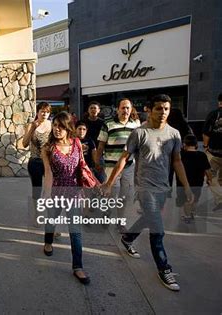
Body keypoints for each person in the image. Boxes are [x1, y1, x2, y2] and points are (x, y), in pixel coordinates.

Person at [103, 94, 194, 291]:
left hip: (163, 187)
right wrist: (110, 183)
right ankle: (164, 268)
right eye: (159, 108)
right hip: (144, 188)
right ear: (149, 110)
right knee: (158, 231)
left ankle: (128, 238)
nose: (163, 112)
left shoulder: (174, 134)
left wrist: (185, 186)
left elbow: (177, 161)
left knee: (148, 219)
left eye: (166, 109)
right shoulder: (139, 133)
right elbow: (123, 158)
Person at [41, 112, 90, 285]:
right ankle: (48, 242)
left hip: (74, 192)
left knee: (75, 231)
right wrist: (46, 194)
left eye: (61, 126)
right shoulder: (47, 148)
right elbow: (48, 173)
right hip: (56, 191)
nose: (57, 129)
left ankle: (78, 266)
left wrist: (83, 192)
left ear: (68, 127)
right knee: (51, 221)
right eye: (55, 125)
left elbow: (82, 167)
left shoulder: (77, 143)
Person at [97, 98, 140, 232]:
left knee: (124, 195)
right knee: (110, 193)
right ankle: (106, 213)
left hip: (129, 167)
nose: (125, 110)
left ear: (131, 109)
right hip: (111, 166)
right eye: (123, 108)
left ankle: (120, 222)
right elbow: (101, 145)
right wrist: (98, 162)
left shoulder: (136, 125)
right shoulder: (108, 124)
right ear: (118, 109)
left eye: (128, 108)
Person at [177, 134, 212, 223]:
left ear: (184, 144)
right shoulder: (202, 155)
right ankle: (191, 212)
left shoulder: (180, 155)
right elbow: (207, 170)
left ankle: (187, 215)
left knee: (186, 200)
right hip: (197, 183)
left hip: (182, 184)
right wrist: (209, 179)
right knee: (195, 199)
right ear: (196, 145)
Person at [23, 102, 51, 203]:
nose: (44, 114)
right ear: (38, 112)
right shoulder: (31, 125)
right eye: (42, 111)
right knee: (37, 191)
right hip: (35, 162)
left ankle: (50, 213)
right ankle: (35, 213)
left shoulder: (51, 125)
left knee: (50, 189)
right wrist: (33, 128)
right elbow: (24, 144)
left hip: (49, 162)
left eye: (47, 112)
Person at [202, 93, 222, 211]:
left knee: (210, 178)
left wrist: (205, 146)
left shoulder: (214, 114)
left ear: (219, 102)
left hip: (214, 152)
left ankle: (220, 199)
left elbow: (206, 133)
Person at [167, 108, 193, 196]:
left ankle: (168, 192)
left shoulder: (168, 126)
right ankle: (181, 194)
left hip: (169, 154)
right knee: (181, 174)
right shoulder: (185, 125)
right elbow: (191, 138)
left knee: (168, 173)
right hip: (182, 153)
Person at [82, 101, 106, 182]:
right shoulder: (83, 122)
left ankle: (101, 193)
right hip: (86, 153)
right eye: (91, 108)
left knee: (100, 178)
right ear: (88, 110)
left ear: (99, 110)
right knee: (87, 178)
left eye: (95, 108)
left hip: (99, 152)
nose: (93, 110)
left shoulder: (102, 123)